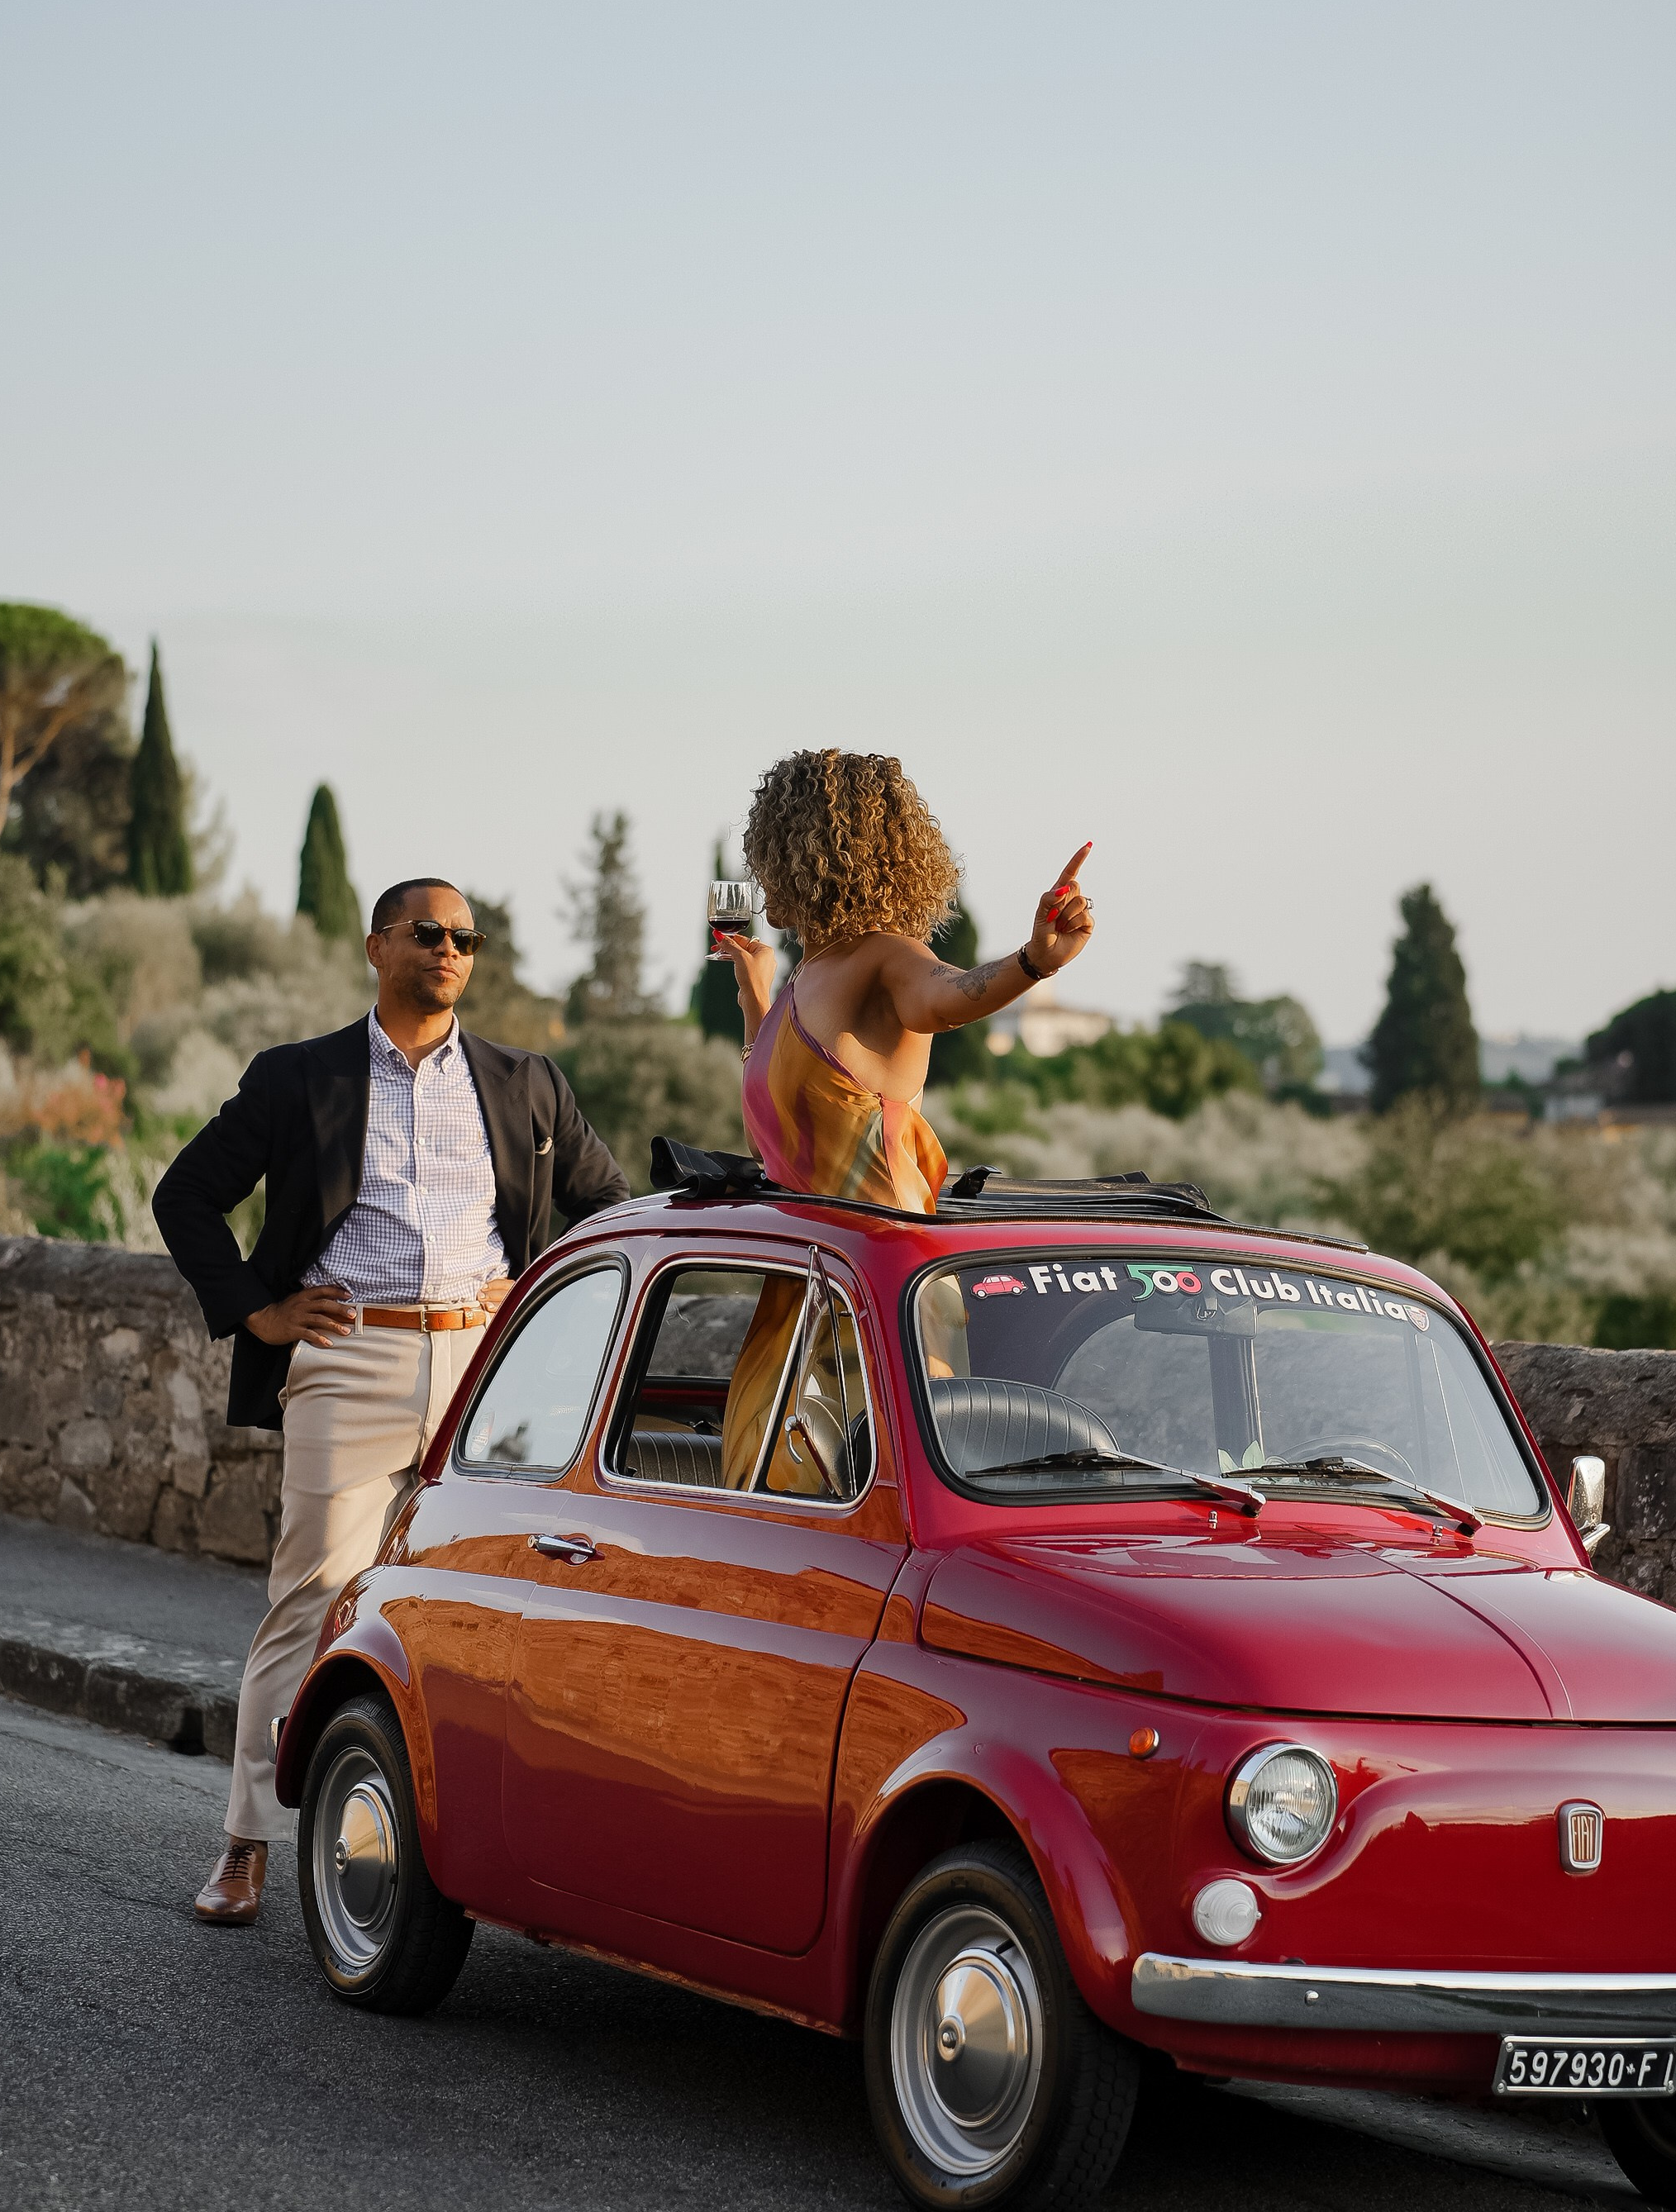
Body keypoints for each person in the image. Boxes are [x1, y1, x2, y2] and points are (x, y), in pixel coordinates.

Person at [153, 877, 629, 1925]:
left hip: (489, 1382)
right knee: (314, 1595)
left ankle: (468, 1852)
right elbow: (182, 1195)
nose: (449, 949)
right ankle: (245, 1842)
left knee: (490, 1610)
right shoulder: (299, 1077)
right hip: (348, 1357)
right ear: (377, 947)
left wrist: (539, 1300)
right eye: (427, 932)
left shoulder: (525, 1083)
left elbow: (606, 1207)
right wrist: (257, 1311)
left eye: (466, 936)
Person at [710, 749, 1093, 1481]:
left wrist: (1035, 961)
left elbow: (950, 996)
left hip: (877, 1293)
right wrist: (755, 995)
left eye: (769, 854)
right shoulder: (804, 978)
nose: (759, 877)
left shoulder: (885, 958)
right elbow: (783, 1126)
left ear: (809, 856)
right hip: (804, 1288)